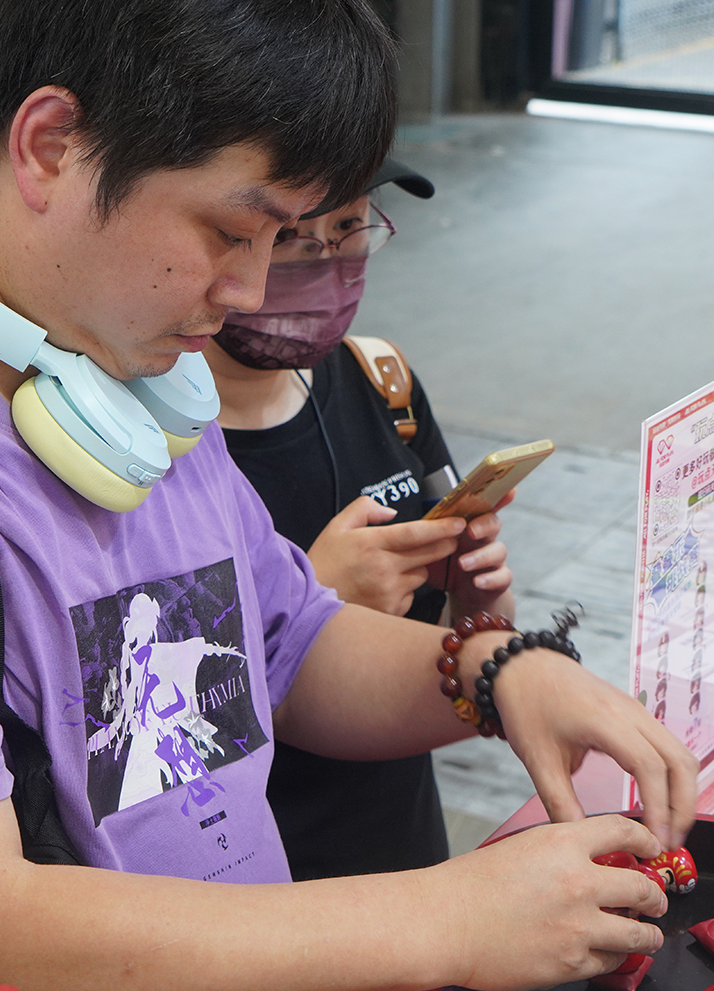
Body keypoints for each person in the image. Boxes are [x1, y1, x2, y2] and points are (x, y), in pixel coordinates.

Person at [0, 0, 697, 991]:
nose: (248, 291)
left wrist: (494, 669)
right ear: (50, 146)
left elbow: (283, 644)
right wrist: (445, 917)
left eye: (284, 238)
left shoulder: (130, 373)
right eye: (233, 232)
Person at [211, 158, 510, 879]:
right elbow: (150, 729)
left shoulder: (384, 383)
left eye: (348, 227)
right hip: (261, 891)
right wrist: (306, 605)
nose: (325, 263)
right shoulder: (149, 453)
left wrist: (480, 601)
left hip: (408, 858)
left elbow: (454, 654)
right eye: (291, 237)